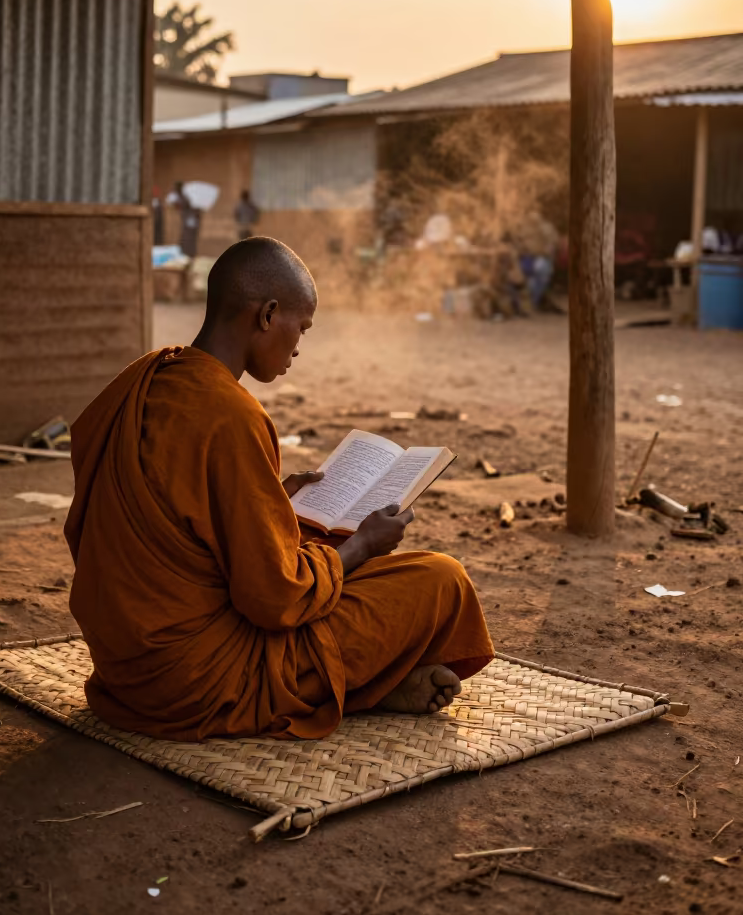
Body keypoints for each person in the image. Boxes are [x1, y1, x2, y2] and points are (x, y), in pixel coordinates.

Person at [65, 237, 493, 741]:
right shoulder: (232, 413)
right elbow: (273, 600)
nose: (298, 347)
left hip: (124, 666)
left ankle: (369, 687)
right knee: (438, 577)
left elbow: (170, 517)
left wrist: (271, 497)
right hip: (196, 681)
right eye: (301, 328)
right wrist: (361, 544)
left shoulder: (147, 378)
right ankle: (360, 687)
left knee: (337, 555)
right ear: (268, 314)